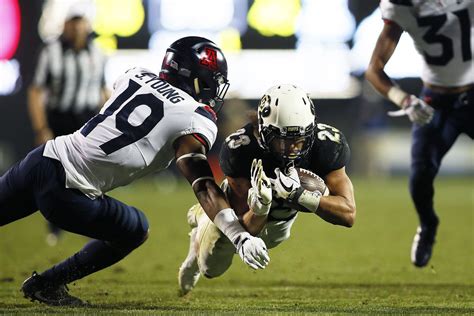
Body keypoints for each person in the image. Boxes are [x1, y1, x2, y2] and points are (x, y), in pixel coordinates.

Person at [0, 36, 269, 306]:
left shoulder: (135, 74)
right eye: (213, 81)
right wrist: (239, 235)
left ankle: (45, 285)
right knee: (135, 228)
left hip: (41, 159)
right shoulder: (194, 116)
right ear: (197, 79)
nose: (214, 90)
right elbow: (203, 184)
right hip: (68, 192)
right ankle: (46, 284)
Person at [178, 84, 356, 295]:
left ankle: (205, 220)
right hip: (243, 214)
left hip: (281, 219)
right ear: (264, 131)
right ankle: (203, 219)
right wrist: (261, 206)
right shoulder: (241, 150)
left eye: (299, 139)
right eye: (283, 139)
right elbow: (246, 228)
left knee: (274, 238)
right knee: (211, 268)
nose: (292, 148)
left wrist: (299, 195)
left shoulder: (327, 145)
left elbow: (348, 214)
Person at [365, 0, 473, 268]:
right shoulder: (400, 7)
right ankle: (428, 226)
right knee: (419, 179)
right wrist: (404, 100)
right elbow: (374, 70)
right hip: (435, 101)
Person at [28, 7, 109, 245]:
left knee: (93, 172)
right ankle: (55, 224)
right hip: (59, 117)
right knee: (57, 173)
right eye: (71, 23)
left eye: (79, 23)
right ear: (64, 25)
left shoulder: (98, 52)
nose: (75, 28)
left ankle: (92, 222)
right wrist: (41, 127)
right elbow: (36, 90)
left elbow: (103, 90)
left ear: (87, 25)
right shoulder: (50, 52)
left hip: (87, 117)